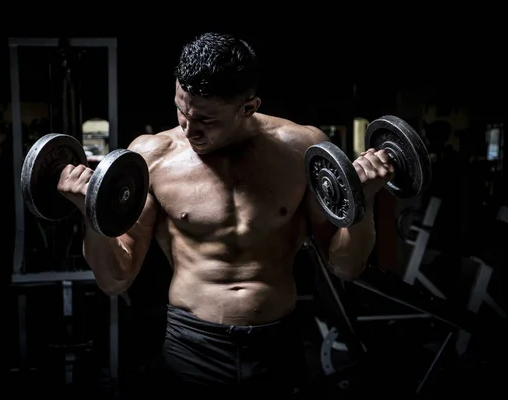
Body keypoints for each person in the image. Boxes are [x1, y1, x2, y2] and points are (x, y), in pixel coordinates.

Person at [57, 32, 393, 396]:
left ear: (248, 107)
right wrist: (89, 212)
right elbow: (115, 279)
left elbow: (345, 266)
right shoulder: (152, 157)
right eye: (181, 110)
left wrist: (364, 200)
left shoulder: (302, 149)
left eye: (205, 120)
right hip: (191, 345)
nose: (188, 127)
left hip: (276, 343)